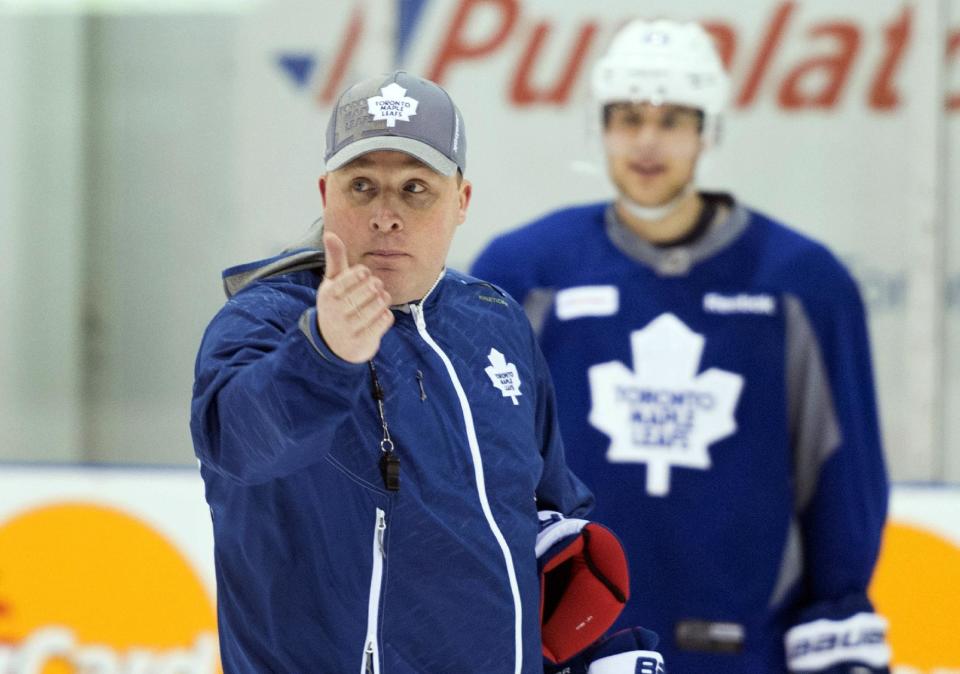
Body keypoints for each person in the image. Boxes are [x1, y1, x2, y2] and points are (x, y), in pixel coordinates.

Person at [191, 70, 661, 674]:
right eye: (362, 185)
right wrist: (325, 354)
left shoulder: (493, 320)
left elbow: (544, 508)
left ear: (461, 201)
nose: (386, 214)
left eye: (416, 188)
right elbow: (241, 444)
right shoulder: (265, 320)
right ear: (325, 192)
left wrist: (587, 653)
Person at [472, 19, 891, 674]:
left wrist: (836, 619)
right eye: (628, 116)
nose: (646, 140)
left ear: (708, 129)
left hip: (749, 653)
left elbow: (842, 475)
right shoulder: (523, 272)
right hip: (570, 652)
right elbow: (477, 466)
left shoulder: (803, 285)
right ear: (600, 127)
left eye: (672, 119)